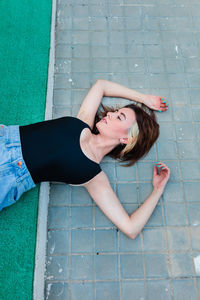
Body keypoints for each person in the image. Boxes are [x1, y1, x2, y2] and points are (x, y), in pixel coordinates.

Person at [0, 79, 170, 239]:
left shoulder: (93, 176)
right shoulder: (82, 122)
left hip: (9, 176)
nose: (110, 114)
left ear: (126, 139)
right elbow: (101, 85)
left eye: (119, 117)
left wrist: (158, 190)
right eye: (116, 112)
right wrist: (144, 99)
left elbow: (131, 228)